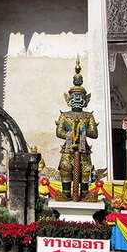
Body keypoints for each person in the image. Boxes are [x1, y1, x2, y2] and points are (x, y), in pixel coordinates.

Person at [55, 58, 98, 200]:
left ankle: (84, 194)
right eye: (75, 96)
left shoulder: (88, 116)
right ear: (69, 99)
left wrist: (83, 130)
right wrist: (70, 132)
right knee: (66, 169)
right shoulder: (65, 116)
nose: (77, 99)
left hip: (83, 149)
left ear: (86, 99)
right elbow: (58, 132)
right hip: (68, 149)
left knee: (85, 171)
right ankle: (66, 194)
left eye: (80, 96)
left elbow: (95, 134)